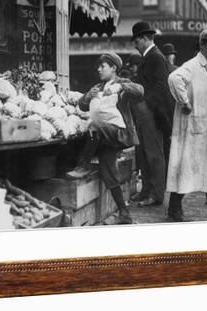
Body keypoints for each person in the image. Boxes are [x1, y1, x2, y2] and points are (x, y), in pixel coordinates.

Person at [68, 53, 143, 224]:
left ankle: (83, 165)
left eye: (103, 66)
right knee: (108, 173)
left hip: (118, 133)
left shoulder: (122, 82)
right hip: (103, 136)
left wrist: (120, 87)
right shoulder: (98, 87)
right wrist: (87, 96)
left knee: (95, 127)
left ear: (114, 68)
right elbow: (82, 105)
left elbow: (140, 91)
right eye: (99, 66)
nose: (99, 69)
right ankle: (124, 213)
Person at [166, 29, 207, 221]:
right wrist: (184, 102)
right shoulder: (192, 66)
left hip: (204, 129)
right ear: (201, 46)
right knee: (186, 169)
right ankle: (175, 209)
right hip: (193, 129)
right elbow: (174, 78)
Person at [129, 21, 174, 207]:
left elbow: (161, 87)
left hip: (152, 113)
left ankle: (156, 194)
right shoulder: (149, 57)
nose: (135, 44)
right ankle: (146, 190)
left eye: (137, 41)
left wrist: (147, 104)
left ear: (146, 39)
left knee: (154, 153)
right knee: (143, 153)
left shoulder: (156, 57)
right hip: (144, 112)